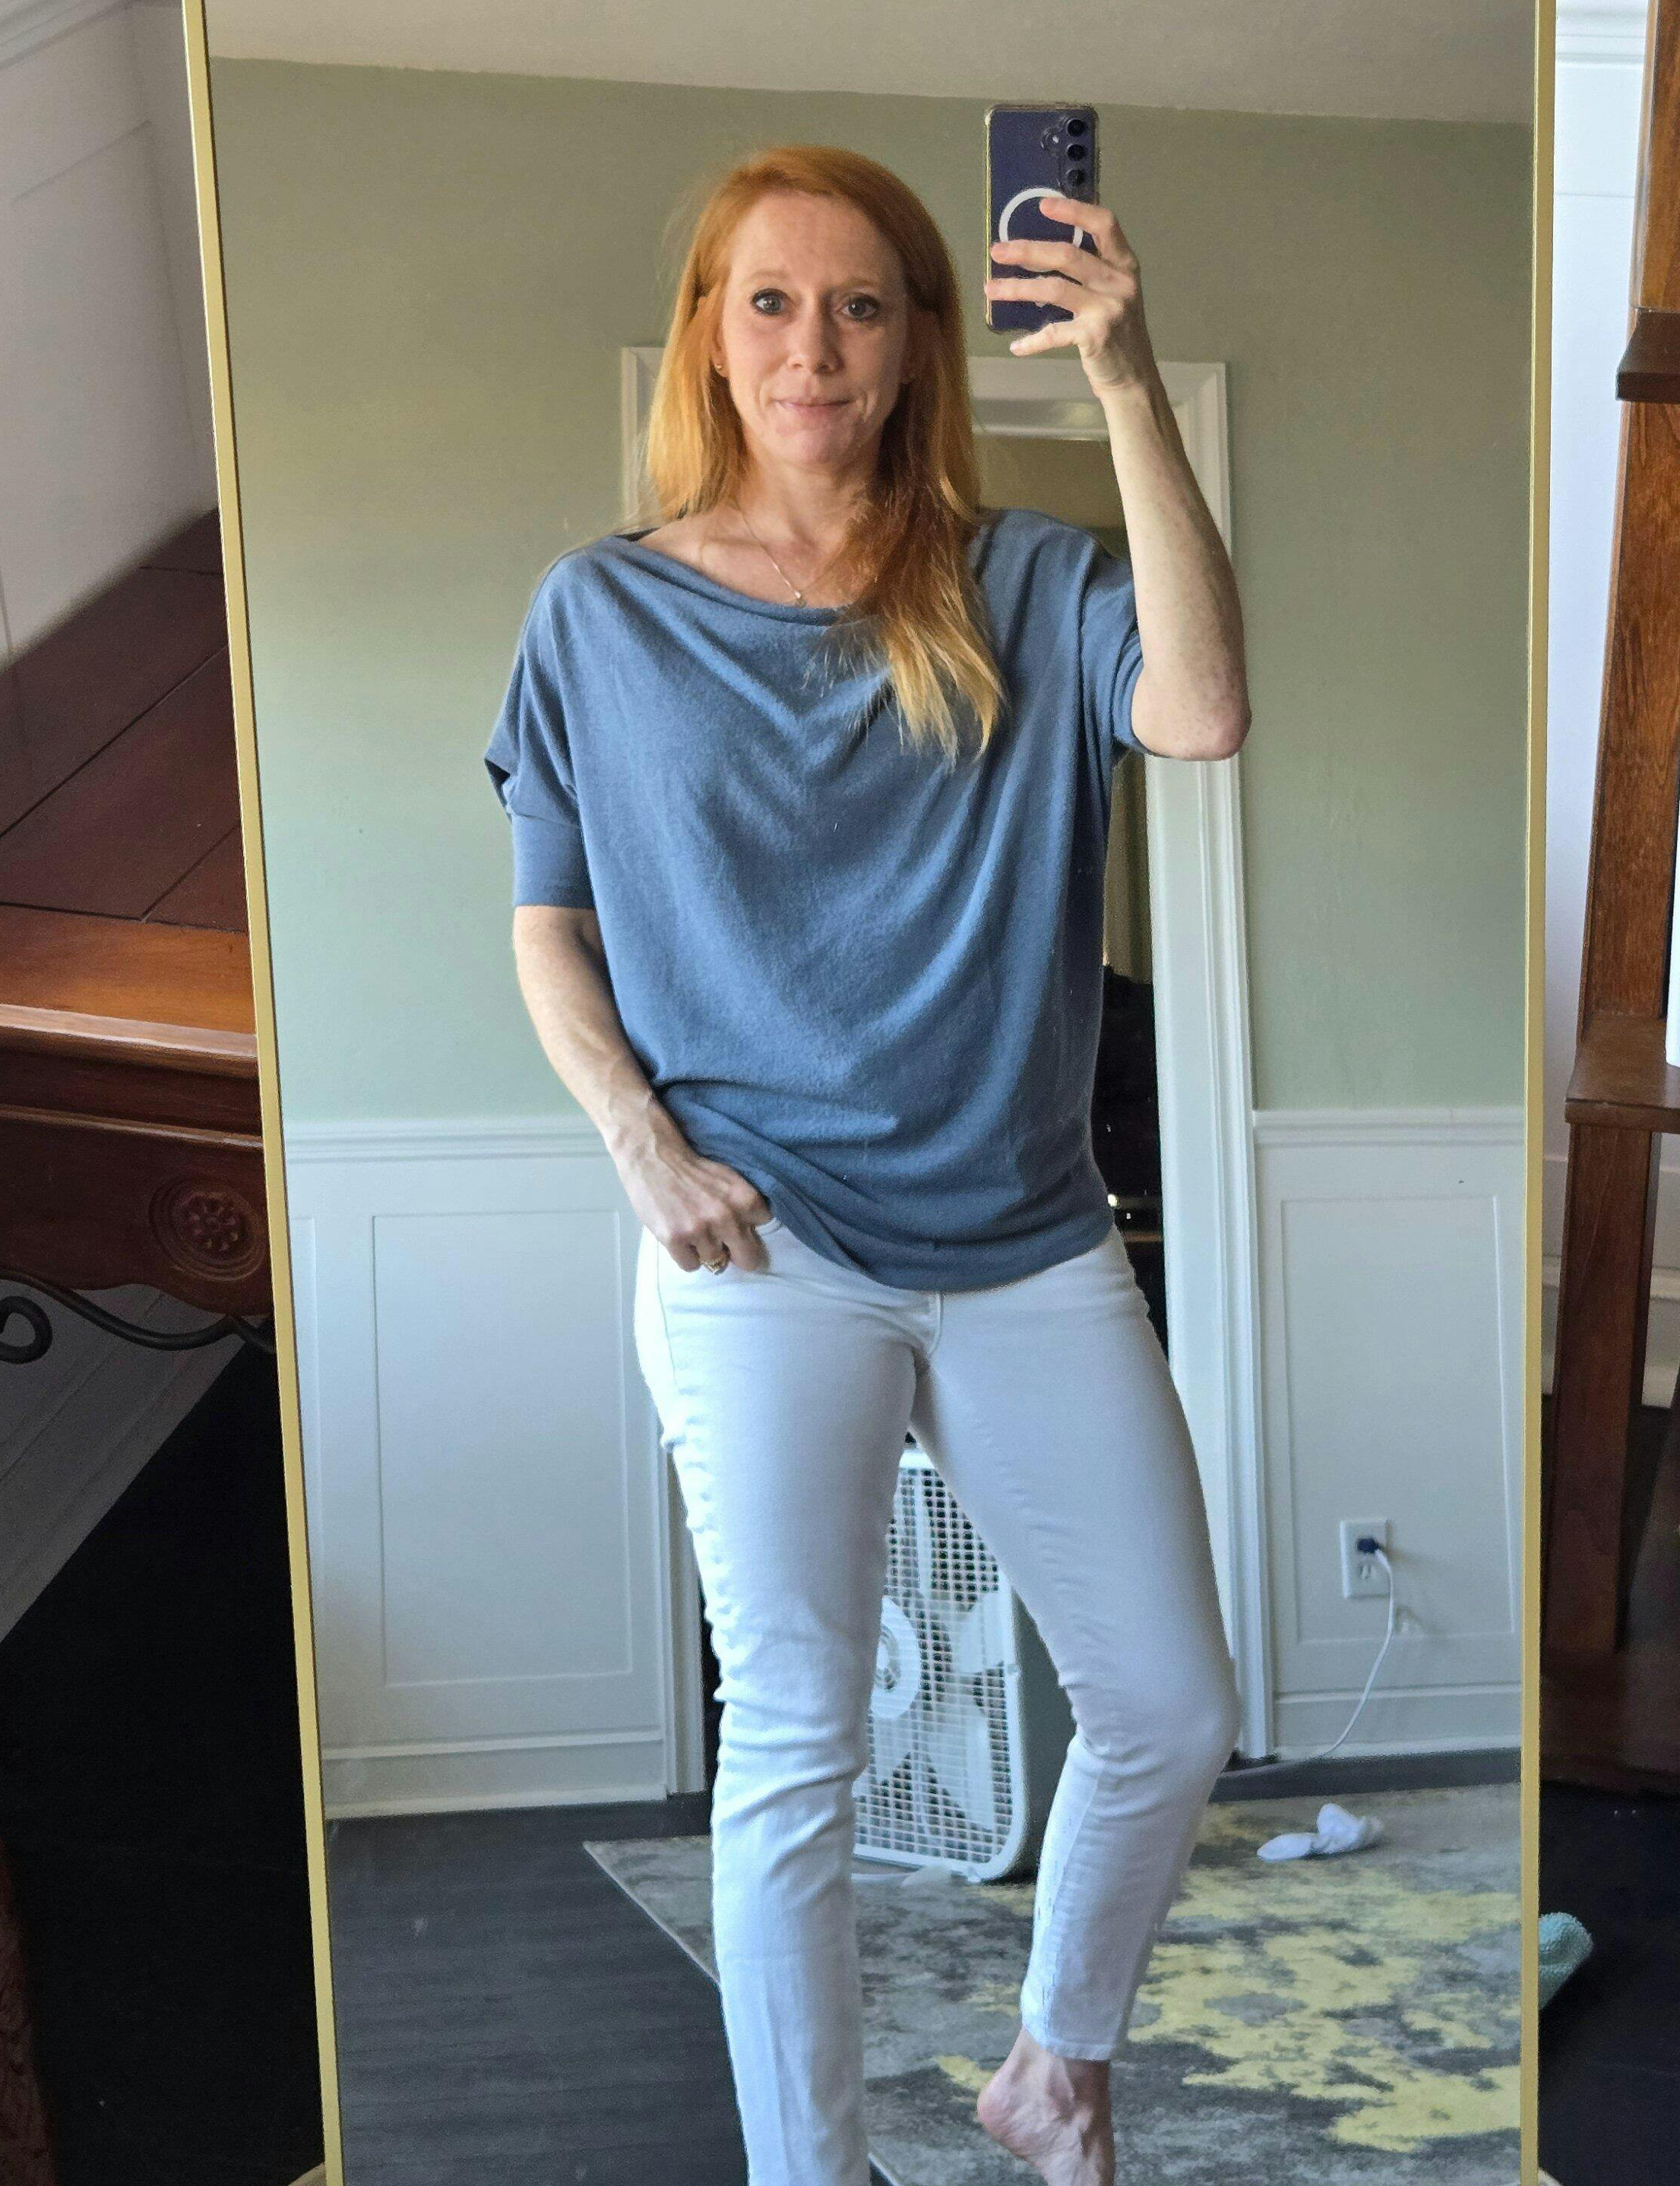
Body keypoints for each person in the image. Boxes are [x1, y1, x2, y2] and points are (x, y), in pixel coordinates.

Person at [482, 143, 1248, 2186]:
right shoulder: (602, 612)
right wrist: (641, 1143)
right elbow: (549, 927)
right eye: (770, 301)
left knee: (1171, 1706)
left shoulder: (1032, 582)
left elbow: (1201, 709)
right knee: (800, 1741)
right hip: (758, 1248)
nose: (811, 346)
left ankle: (1055, 2067)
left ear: (918, 345)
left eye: (858, 306)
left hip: (1028, 1237)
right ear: (710, 340)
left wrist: (1128, 379)